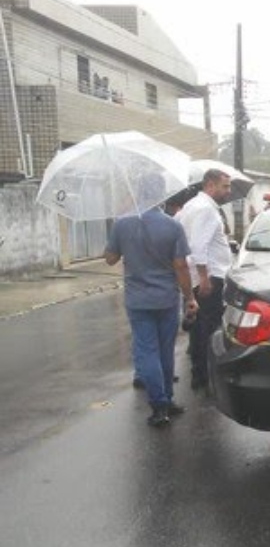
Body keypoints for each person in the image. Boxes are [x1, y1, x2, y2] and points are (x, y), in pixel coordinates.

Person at [104, 173, 199, 427]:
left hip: (137, 300)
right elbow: (181, 266)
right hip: (167, 298)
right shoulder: (172, 225)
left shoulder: (122, 224)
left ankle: (159, 406)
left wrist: (121, 234)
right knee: (165, 350)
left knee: (146, 351)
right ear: (162, 195)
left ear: (137, 192)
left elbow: (110, 258)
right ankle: (167, 399)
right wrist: (190, 297)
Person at [176, 169, 233, 391]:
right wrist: (204, 277)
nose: (228, 191)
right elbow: (199, 246)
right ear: (210, 185)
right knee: (207, 331)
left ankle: (200, 374)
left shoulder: (191, 206)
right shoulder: (205, 210)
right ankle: (204, 377)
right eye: (225, 186)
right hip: (208, 278)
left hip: (198, 277)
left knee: (199, 329)